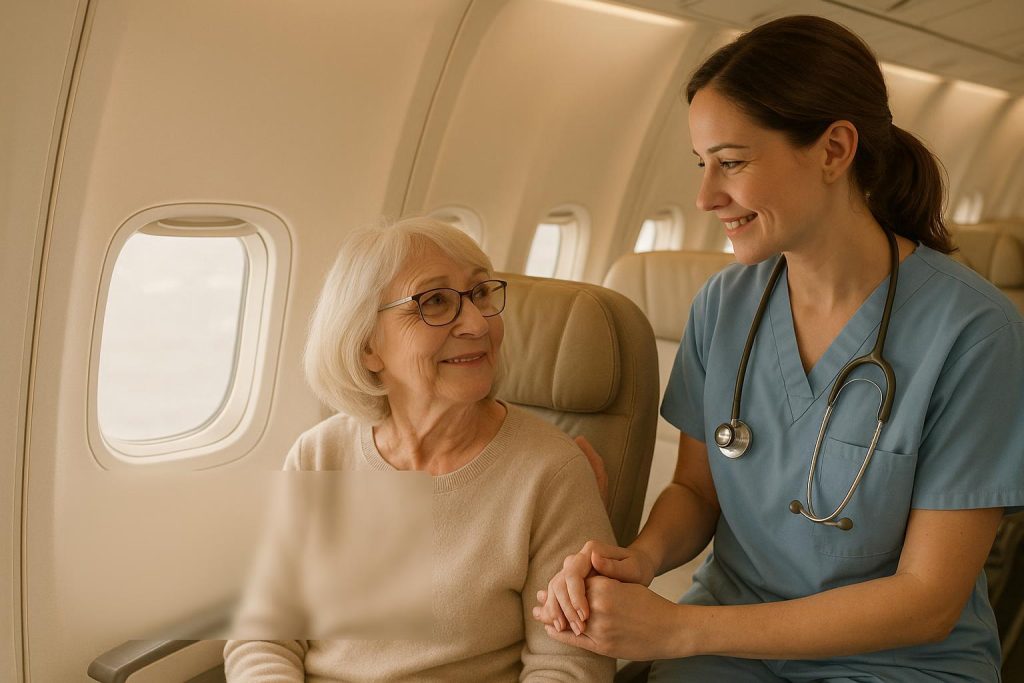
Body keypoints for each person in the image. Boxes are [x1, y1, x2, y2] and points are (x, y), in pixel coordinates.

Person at [534, 15, 1024, 681]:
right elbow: (695, 490)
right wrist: (641, 558)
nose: (707, 196)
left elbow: (927, 601)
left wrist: (680, 626)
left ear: (833, 149)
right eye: (702, 165)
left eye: (732, 162)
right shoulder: (722, 305)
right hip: (733, 638)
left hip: (898, 659)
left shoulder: (973, 331)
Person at [224, 217, 615, 681]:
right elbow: (263, 634)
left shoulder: (550, 471)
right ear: (368, 345)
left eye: (480, 294)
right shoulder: (319, 456)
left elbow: (568, 665)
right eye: (434, 302)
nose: (476, 323)